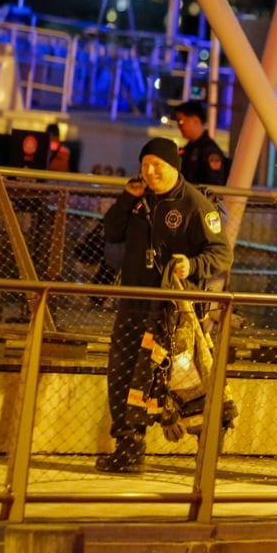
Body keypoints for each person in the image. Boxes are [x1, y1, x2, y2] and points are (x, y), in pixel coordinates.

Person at [96, 137, 233, 473]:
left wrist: (193, 266)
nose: (150, 171)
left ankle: (209, 445)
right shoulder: (139, 200)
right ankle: (129, 448)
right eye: (145, 165)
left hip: (175, 313)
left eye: (157, 165)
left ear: (175, 167)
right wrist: (128, 199)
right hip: (134, 304)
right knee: (124, 375)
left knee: (187, 380)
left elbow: (221, 253)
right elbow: (110, 232)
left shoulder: (195, 204)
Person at [175, 100, 230, 185]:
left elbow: (214, 186)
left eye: (181, 122)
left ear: (196, 120)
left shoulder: (209, 150)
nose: (179, 127)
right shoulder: (189, 149)